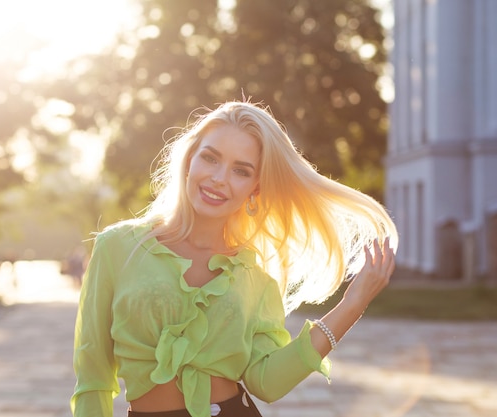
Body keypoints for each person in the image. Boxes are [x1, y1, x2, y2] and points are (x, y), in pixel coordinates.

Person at [71, 101, 397, 417]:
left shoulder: (255, 274)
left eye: (241, 170)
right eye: (210, 158)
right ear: (189, 161)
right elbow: (93, 376)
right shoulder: (116, 247)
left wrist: (352, 305)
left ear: (255, 188)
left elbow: (267, 382)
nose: (219, 178)